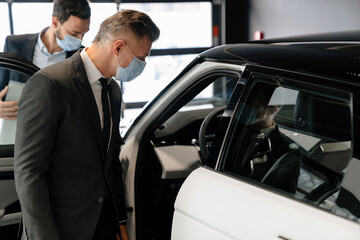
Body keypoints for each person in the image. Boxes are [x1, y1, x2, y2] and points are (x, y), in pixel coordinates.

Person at [14, 9, 160, 240]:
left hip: (101, 224)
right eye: (141, 58)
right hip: (60, 228)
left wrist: (120, 221)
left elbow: (110, 162)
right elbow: (28, 171)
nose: (142, 64)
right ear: (118, 47)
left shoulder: (112, 90)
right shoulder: (50, 84)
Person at [0, 0, 91, 120]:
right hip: (16, 127)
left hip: (58, 132)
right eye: (74, 33)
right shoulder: (15, 44)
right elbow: (1, 85)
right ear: (55, 22)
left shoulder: (82, 56)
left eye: (84, 33)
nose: (80, 39)